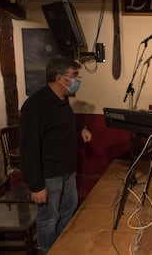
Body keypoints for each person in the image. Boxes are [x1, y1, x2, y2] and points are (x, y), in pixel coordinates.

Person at [20, 56, 92, 254]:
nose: (78, 80)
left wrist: (81, 127)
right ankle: (48, 250)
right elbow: (28, 149)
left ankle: (62, 247)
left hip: (67, 170)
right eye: (75, 75)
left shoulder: (62, 100)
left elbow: (60, 125)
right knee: (49, 218)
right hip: (49, 175)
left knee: (68, 210)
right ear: (61, 79)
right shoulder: (35, 106)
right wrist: (36, 185)